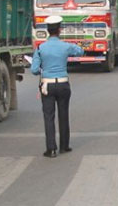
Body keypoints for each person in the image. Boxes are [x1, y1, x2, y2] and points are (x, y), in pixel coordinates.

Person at [30, 14, 83, 157]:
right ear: (60, 30)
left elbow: (34, 70)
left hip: (47, 86)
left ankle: (51, 149)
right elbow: (80, 51)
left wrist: (43, 69)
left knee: (49, 116)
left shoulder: (41, 48)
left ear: (48, 30)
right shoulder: (65, 46)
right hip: (63, 84)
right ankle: (64, 146)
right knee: (63, 114)